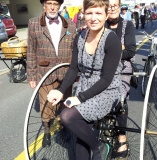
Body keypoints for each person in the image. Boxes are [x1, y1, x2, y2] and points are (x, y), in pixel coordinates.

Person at [47, 0, 123, 159]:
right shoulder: (80, 37)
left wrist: (79, 98)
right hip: (84, 87)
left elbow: (107, 79)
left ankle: (99, 147)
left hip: (106, 91)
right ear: (83, 13)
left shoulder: (111, 40)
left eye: (98, 13)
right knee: (81, 135)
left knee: (67, 116)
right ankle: (96, 148)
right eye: (89, 13)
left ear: (106, 14)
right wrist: (61, 91)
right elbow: (74, 68)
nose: (93, 18)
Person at [26, 0, 76, 148]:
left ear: (60, 5)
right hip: (44, 73)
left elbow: (74, 51)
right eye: (49, 3)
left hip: (66, 73)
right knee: (46, 105)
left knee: (66, 103)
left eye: (55, 3)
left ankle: (64, 126)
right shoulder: (33, 23)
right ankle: (47, 130)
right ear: (44, 5)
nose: (53, 7)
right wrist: (31, 75)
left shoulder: (70, 24)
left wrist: (76, 71)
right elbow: (31, 51)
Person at [105, 0, 136, 158]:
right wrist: (118, 47)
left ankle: (122, 138)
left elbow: (130, 51)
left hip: (123, 67)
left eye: (115, 6)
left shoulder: (127, 25)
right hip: (102, 67)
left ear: (119, 6)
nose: (112, 9)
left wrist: (108, 50)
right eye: (109, 6)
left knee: (120, 98)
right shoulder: (100, 24)